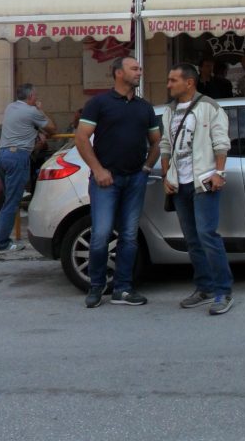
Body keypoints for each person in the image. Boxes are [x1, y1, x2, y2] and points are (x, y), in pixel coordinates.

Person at [75, 57, 161, 308]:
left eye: (140, 68)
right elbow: (81, 139)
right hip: (106, 181)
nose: (139, 72)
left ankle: (123, 289)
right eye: (134, 68)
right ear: (118, 73)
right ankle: (96, 285)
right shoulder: (99, 103)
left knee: (129, 236)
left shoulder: (144, 107)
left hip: (135, 178)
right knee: (100, 235)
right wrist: (98, 170)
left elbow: (157, 141)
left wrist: (146, 167)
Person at [160, 63, 234, 315]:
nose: (168, 84)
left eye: (173, 80)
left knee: (207, 235)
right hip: (179, 184)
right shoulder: (169, 111)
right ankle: (204, 287)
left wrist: (219, 173)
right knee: (192, 239)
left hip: (203, 180)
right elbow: (166, 145)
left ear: (189, 82)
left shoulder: (209, 107)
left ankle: (223, 290)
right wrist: (166, 175)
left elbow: (221, 142)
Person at [0, 85, 55, 253]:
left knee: (8, 199)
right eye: (36, 95)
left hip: (1, 155)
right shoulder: (31, 111)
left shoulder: (10, 107)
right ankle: (2, 243)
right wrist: (41, 110)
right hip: (16, 157)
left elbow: (25, 126)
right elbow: (52, 128)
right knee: (13, 202)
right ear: (31, 96)